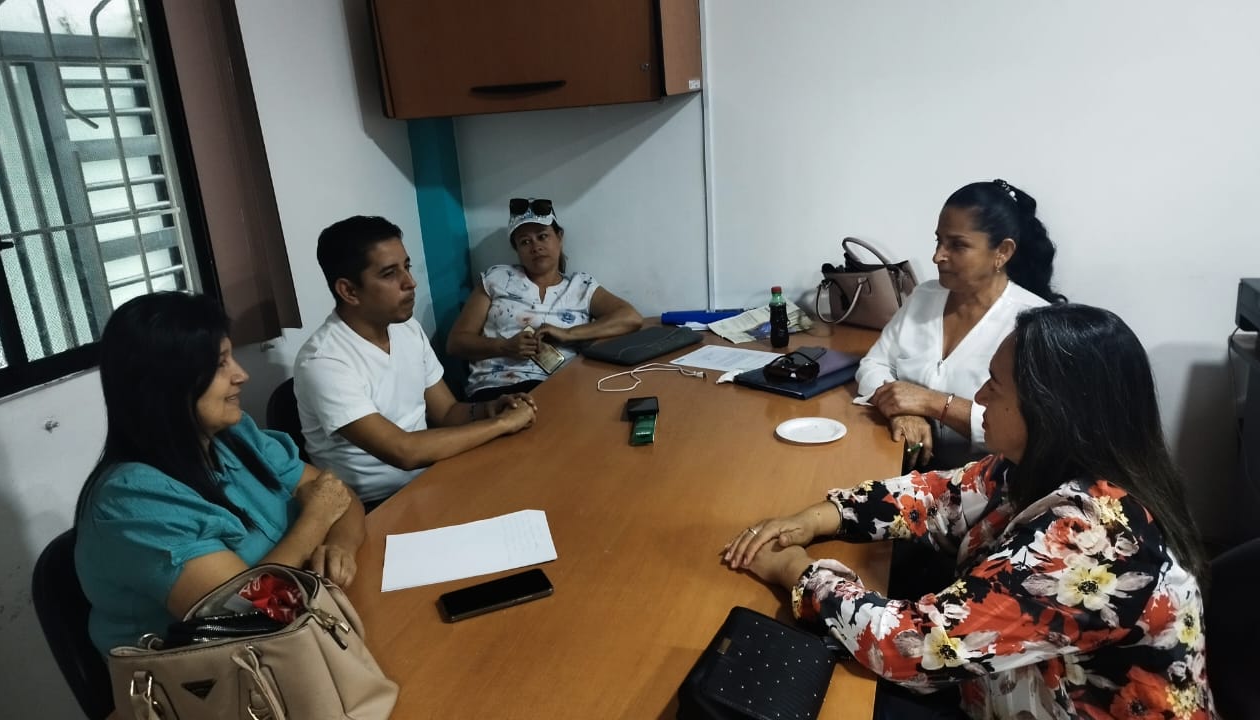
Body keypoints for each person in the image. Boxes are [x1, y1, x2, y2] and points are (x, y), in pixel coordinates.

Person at [723, 304, 1215, 719]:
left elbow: (913, 647)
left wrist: (797, 572)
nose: (979, 398)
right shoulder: (1038, 465)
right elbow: (936, 495)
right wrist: (817, 518)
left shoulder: (1093, 538)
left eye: (994, 387)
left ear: (1049, 409)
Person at [75, 292, 366, 655]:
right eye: (220, 364)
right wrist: (318, 516)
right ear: (164, 385)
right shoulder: (132, 499)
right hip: (236, 671)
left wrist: (339, 547)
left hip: (310, 625)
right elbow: (253, 610)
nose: (241, 375)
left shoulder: (235, 435)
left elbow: (342, 496)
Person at [294, 215, 537, 506]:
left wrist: (488, 409)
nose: (410, 282)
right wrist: (502, 424)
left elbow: (447, 413)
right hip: (371, 508)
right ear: (349, 291)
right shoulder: (323, 361)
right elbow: (404, 452)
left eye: (406, 267)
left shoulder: (406, 328)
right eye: (389, 274)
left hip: (430, 479)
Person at [857, 179, 1065, 473]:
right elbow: (873, 365)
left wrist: (932, 403)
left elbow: (1032, 430)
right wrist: (902, 411)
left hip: (986, 484)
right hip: (902, 465)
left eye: (957, 245)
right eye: (938, 241)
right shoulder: (923, 296)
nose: (938, 256)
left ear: (1002, 252)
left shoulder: (1033, 324)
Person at [447, 198, 642, 401]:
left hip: (562, 389)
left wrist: (568, 334)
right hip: (496, 390)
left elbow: (630, 317)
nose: (535, 247)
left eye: (542, 236)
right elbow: (456, 343)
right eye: (525, 242)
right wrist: (504, 346)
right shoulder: (496, 278)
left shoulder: (580, 286)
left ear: (559, 237)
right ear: (516, 249)